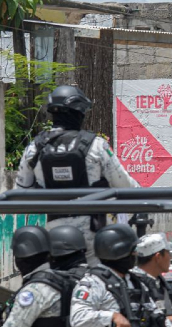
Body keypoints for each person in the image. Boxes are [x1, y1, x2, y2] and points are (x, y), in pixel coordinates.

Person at [15, 85, 138, 252]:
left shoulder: (35, 148)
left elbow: (20, 193)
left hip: (55, 237)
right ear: (79, 112)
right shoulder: (96, 145)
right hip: (95, 238)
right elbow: (125, 186)